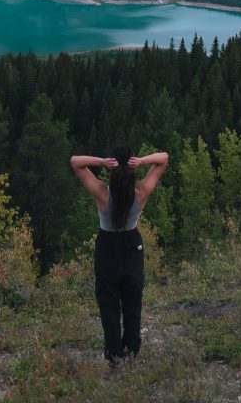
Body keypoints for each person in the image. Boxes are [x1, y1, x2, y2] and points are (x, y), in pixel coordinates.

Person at [70, 145, 169, 366]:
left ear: (112, 170)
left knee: (109, 303)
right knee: (133, 299)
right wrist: (142, 161)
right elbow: (163, 159)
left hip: (107, 247)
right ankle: (131, 349)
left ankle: (114, 354)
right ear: (132, 168)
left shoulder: (103, 194)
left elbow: (76, 161)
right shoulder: (141, 193)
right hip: (132, 245)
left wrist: (102, 162)